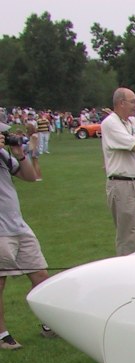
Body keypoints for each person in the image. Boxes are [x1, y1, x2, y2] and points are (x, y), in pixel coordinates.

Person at [0, 122, 55, 350]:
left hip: (18, 225)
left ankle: (49, 323)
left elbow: (31, 177)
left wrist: (20, 154)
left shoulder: (3, 155)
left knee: (40, 274)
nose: (4, 136)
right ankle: (2, 335)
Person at [101, 87, 135, 256]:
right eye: (133, 102)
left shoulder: (133, 122)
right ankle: (124, 270)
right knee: (127, 237)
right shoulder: (110, 123)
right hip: (122, 184)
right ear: (121, 103)